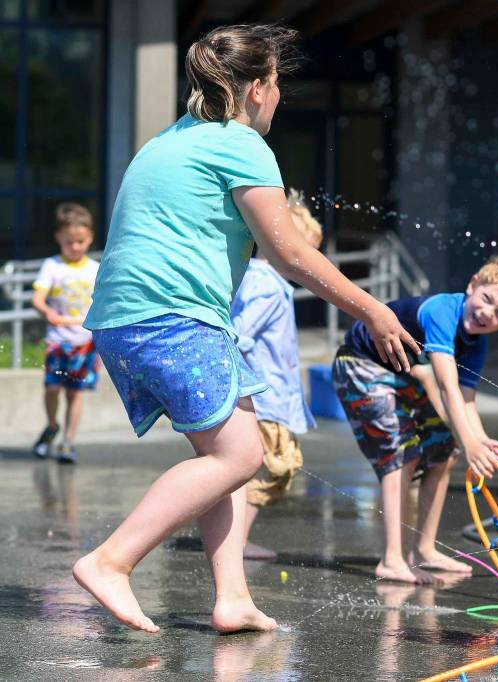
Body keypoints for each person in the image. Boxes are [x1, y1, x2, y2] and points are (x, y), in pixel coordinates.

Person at [74, 24, 417, 635]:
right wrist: (373, 308)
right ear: (257, 88)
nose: (280, 97)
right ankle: (111, 560)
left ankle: (231, 597)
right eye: (278, 83)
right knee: (241, 454)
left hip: (133, 316)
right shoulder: (239, 144)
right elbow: (286, 255)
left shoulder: (172, 139)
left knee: (230, 450)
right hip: (173, 315)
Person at [334, 255, 498, 584]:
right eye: (486, 299)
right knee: (400, 455)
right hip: (359, 365)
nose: (487, 313)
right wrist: (469, 442)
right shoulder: (442, 310)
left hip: (398, 374)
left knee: (444, 451)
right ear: (472, 286)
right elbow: (446, 385)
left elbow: (467, 400)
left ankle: (424, 549)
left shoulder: (476, 344)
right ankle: (392, 559)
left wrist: (480, 440)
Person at [231, 189, 322, 561]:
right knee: (272, 469)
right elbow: (241, 335)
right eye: (307, 252)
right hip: (265, 397)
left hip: (267, 395)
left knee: (270, 469)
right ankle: (234, 541)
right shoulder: (268, 285)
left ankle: (234, 538)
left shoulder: (260, 280)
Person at [31, 203, 100, 464]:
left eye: (81, 241)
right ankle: (52, 425)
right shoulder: (52, 266)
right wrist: (47, 312)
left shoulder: (94, 269)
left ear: (90, 237)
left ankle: (68, 442)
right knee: (52, 388)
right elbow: (38, 299)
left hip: (84, 342)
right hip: (58, 341)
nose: (75, 247)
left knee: (76, 393)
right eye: (70, 241)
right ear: (59, 238)